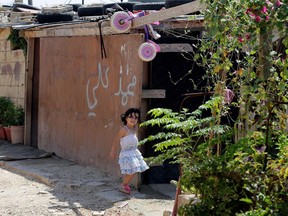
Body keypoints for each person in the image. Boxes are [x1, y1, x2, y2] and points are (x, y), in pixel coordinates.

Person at [110, 108, 149, 194]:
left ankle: (124, 185)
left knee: (133, 170)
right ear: (126, 118)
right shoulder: (124, 130)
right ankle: (124, 185)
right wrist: (113, 151)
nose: (133, 119)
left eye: (136, 118)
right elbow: (116, 140)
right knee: (132, 170)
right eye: (131, 117)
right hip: (126, 153)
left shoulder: (134, 129)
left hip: (134, 153)